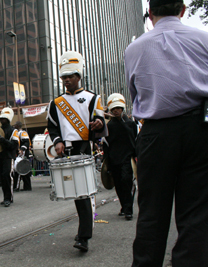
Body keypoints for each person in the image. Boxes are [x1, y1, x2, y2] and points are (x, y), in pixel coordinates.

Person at [124, 1, 208, 266]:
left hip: (156, 133)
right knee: (197, 214)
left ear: (150, 13)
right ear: (182, 9)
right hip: (199, 130)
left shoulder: (134, 48)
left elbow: (135, 93)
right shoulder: (204, 39)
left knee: (151, 214)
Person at [47, 51, 106, 252]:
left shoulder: (92, 98)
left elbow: (100, 121)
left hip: (84, 146)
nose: (66, 80)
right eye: (63, 77)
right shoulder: (56, 103)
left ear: (78, 76)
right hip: (66, 150)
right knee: (76, 192)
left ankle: (83, 237)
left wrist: (99, 124)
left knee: (83, 193)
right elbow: (52, 126)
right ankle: (84, 230)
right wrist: (57, 142)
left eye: (70, 77)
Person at [102, 93, 137, 220]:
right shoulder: (108, 127)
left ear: (122, 108)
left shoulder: (131, 124)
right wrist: (106, 162)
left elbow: (135, 141)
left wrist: (136, 157)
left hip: (127, 159)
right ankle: (124, 207)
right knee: (118, 184)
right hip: (113, 160)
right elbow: (106, 145)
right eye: (114, 109)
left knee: (126, 181)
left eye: (118, 108)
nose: (116, 110)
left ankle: (129, 210)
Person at [0, 107, 19, 207]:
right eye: (1, 119)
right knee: (2, 178)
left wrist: (3, 140)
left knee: (7, 176)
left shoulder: (14, 131)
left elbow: (14, 145)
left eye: (4, 119)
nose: (2, 120)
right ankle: (5, 197)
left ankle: (8, 198)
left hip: (8, 157)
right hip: (0, 156)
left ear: (8, 119)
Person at [12, 121, 32, 191]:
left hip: (22, 154)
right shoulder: (17, 133)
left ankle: (16, 187)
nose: (14, 126)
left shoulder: (22, 133)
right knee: (23, 171)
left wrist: (22, 149)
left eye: (15, 125)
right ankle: (27, 187)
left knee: (19, 170)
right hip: (19, 154)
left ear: (18, 126)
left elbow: (26, 142)